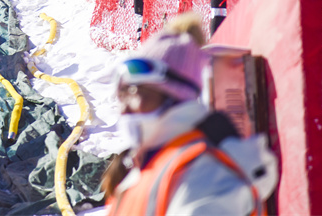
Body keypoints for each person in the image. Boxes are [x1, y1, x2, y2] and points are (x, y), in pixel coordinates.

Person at [102, 14, 277, 215]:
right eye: (121, 96)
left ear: (172, 95)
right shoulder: (143, 171)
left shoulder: (205, 175)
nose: (124, 110)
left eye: (134, 93)